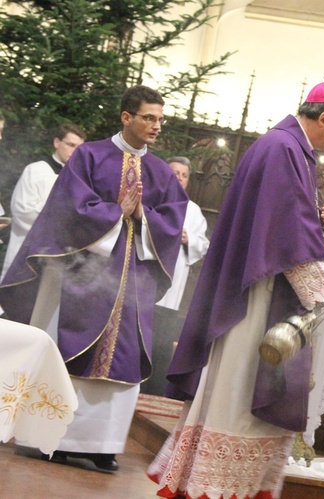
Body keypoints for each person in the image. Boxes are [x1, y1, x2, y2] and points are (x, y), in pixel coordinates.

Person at [147, 81, 324, 499]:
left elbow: (285, 217)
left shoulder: (287, 148)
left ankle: (222, 483)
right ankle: (218, 486)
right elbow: (286, 229)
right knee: (241, 386)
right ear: (323, 118)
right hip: (255, 295)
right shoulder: (283, 150)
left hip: (257, 282)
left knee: (241, 385)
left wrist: (318, 217)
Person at [0, 85, 188, 472]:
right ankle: (55, 439)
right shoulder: (90, 155)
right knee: (67, 349)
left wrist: (144, 218)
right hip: (80, 278)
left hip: (132, 283)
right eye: (148, 117)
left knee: (125, 360)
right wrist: (114, 213)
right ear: (126, 117)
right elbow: (67, 208)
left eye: (159, 119)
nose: (156, 126)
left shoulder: (159, 172)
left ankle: (105, 444)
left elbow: (173, 219)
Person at [143, 156, 209, 396]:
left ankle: (153, 395)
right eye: (175, 173)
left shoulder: (194, 211)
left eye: (184, 175)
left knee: (161, 347)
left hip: (172, 291)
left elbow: (203, 244)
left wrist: (188, 239)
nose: (180, 178)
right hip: (146, 286)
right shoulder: (151, 200)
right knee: (140, 342)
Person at [1, 123, 87, 279]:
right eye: (70, 145)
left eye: (79, 148)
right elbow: (22, 211)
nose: (74, 152)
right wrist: (60, 222)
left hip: (57, 260)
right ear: (56, 142)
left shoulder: (78, 179)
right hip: (28, 254)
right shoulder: (35, 170)